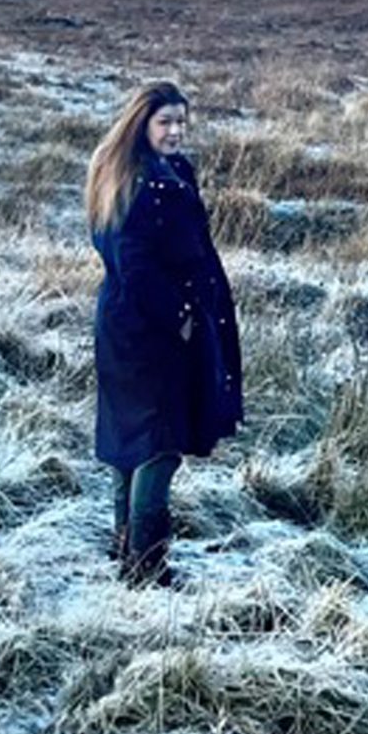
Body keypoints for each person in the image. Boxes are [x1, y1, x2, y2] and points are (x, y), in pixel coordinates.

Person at [85, 81, 243, 587]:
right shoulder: (141, 182)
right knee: (158, 446)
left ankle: (125, 552)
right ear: (142, 124)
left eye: (181, 121)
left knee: (132, 442)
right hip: (149, 336)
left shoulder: (140, 171)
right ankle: (145, 569)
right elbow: (134, 265)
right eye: (164, 122)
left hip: (125, 328)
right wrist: (181, 317)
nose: (175, 131)